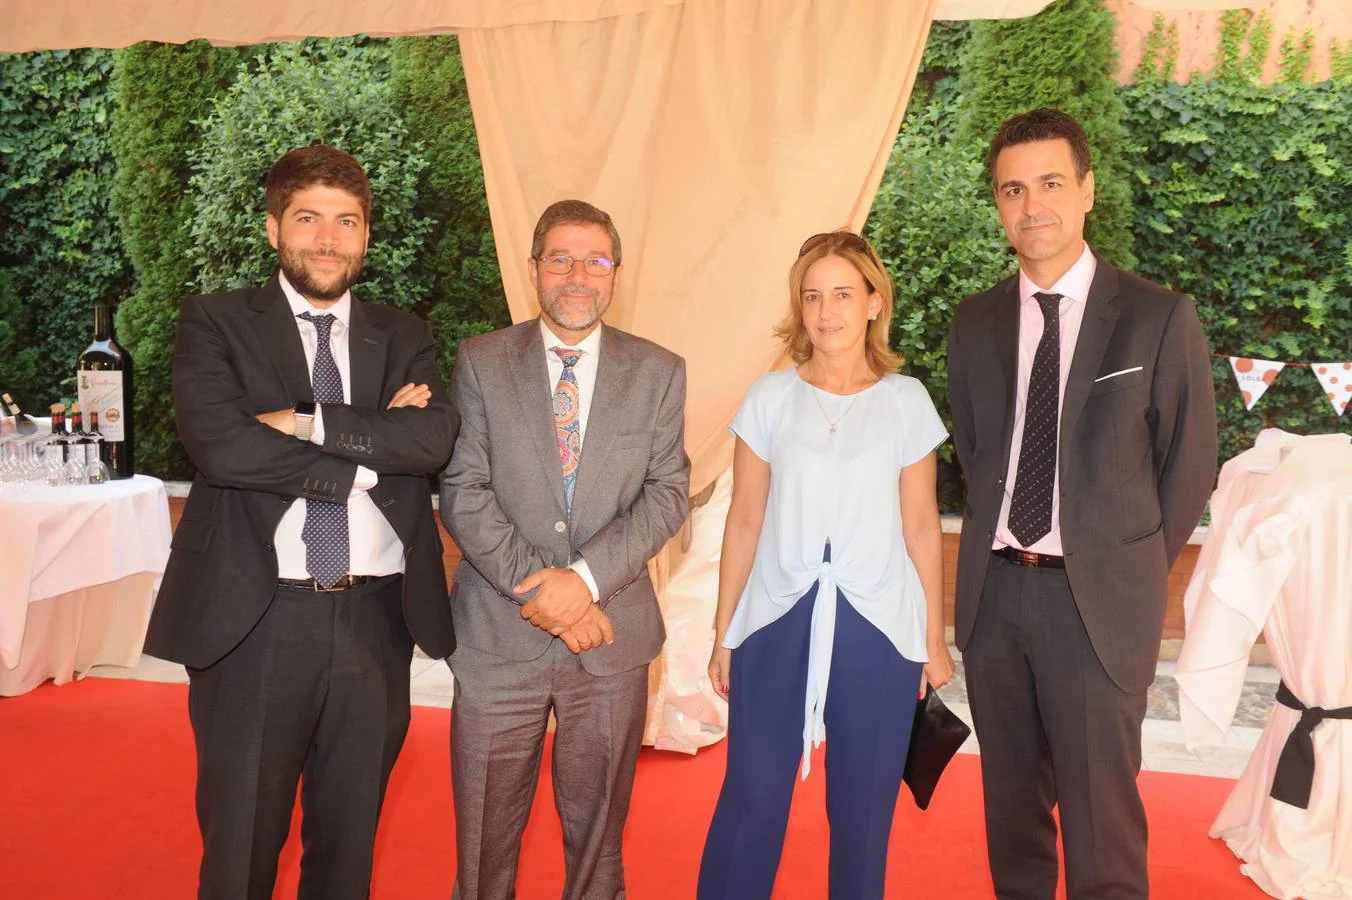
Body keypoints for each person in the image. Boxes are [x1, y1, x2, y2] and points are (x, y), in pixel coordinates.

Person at [144, 145, 460, 900]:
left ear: (367, 235)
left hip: (375, 620)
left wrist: (303, 421)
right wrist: (368, 450)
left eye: (346, 222)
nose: (327, 238)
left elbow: (433, 440)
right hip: (255, 619)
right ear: (272, 229)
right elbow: (220, 445)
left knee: (348, 848)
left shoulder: (402, 333)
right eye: (309, 219)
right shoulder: (217, 321)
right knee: (241, 846)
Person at [947, 108, 1217, 899]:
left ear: (1089, 188)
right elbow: (977, 450)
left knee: (1104, 828)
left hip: (1095, 607)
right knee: (1012, 819)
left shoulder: (1156, 317)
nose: (1034, 206)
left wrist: (1118, 569)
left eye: (1052, 184)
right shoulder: (974, 322)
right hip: (995, 601)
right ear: (998, 205)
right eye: (1013, 189)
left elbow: (1187, 467)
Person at [439, 199, 690, 899]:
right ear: (533, 270)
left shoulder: (659, 371)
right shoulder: (482, 361)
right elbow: (463, 489)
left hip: (612, 643)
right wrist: (547, 591)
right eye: (561, 259)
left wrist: (582, 580)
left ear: (616, 274)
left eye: (595, 260)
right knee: (484, 838)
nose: (578, 275)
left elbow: (668, 492)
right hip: (498, 638)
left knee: (599, 840)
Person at [698, 230, 953, 899]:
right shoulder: (770, 397)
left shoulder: (907, 402)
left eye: (843, 293)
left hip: (880, 628)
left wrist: (933, 639)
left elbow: (922, 527)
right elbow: (746, 518)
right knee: (753, 800)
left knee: (863, 817)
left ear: (874, 302)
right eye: (812, 296)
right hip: (776, 619)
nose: (826, 309)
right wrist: (726, 631)